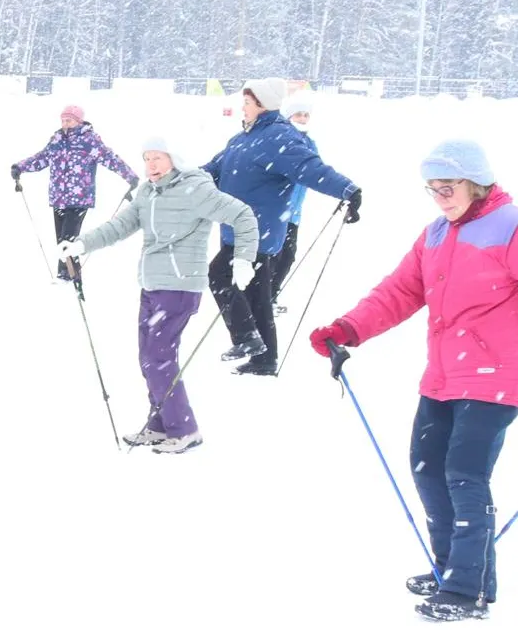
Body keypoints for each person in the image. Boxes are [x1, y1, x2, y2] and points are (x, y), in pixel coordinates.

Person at [308, 140, 518, 622]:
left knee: (465, 474)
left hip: (496, 376)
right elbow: (398, 292)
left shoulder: (516, 229)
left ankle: (469, 589)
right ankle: (452, 567)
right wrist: (348, 328)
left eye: (448, 187)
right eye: (432, 190)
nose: (440, 197)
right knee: (426, 467)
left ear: (475, 181)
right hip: (444, 375)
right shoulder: (435, 234)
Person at [60, 137, 257, 453]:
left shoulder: (196, 189)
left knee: (158, 358)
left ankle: (184, 429)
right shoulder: (147, 193)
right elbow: (120, 225)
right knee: (149, 358)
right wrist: (82, 244)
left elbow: (243, 215)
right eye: (146, 159)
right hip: (152, 284)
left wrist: (244, 259)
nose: (151, 166)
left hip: (180, 286)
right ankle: (160, 424)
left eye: (157, 158)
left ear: (174, 159)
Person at [202, 78, 361, 376]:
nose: (243, 107)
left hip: (256, 232)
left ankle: (246, 338)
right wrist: (180, 180)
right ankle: (265, 359)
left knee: (219, 275)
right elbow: (212, 170)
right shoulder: (242, 139)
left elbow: (312, 169)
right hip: (235, 228)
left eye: (247, 102)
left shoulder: (279, 138)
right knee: (256, 296)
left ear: (262, 104)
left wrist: (348, 190)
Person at [11, 104, 138, 281]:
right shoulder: (57, 139)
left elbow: (109, 158)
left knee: (67, 240)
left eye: (69, 120)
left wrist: (129, 175)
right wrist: (20, 167)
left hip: (79, 198)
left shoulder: (89, 140)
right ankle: (68, 275)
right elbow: (42, 158)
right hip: (58, 198)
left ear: (78, 121)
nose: (65, 124)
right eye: (63, 120)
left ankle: (69, 277)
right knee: (61, 240)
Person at [273, 91, 317, 300]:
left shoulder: (310, 143)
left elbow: (317, 171)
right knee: (272, 256)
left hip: (293, 214)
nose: (302, 119)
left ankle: (270, 294)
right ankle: (262, 296)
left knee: (287, 257)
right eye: (298, 114)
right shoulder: (280, 139)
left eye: (305, 115)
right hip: (276, 211)